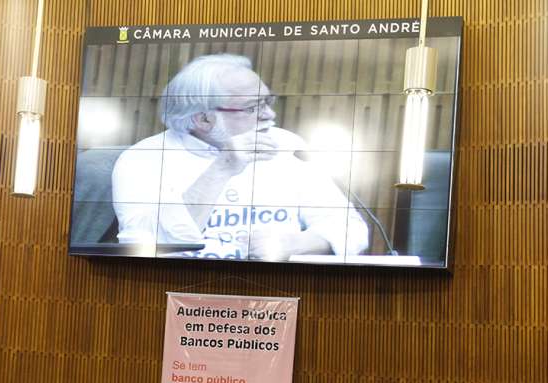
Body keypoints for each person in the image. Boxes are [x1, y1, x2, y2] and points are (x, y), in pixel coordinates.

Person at [112, 53, 369, 260]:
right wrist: (222, 168)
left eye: (267, 101)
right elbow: (144, 248)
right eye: (252, 107)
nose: (269, 115)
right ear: (203, 118)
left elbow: (352, 229)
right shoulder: (142, 160)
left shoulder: (286, 146)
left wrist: (296, 243)